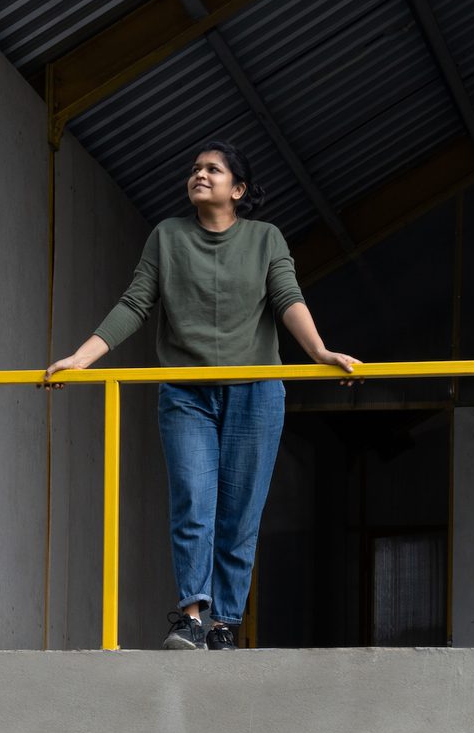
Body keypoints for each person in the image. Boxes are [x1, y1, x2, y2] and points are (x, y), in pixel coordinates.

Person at [46, 141, 357, 651]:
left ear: (238, 189)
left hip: (255, 394)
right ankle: (192, 617)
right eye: (195, 169)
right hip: (187, 394)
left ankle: (222, 625)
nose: (200, 175)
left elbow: (287, 297)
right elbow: (135, 302)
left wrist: (319, 351)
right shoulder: (167, 237)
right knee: (193, 502)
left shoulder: (265, 238)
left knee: (240, 514)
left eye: (214, 169)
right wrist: (82, 358)